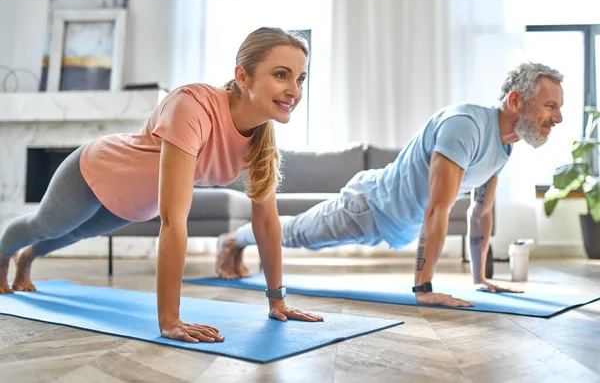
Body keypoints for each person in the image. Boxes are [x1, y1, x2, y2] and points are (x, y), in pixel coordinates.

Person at [0, 27, 324, 343]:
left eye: (300, 79)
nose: (294, 91)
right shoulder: (193, 106)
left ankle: (26, 258)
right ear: (243, 76)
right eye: (281, 75)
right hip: (95, 170)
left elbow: (266, 224)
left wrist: (276, 300)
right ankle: (4, 255)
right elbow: (173, 220)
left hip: (136, 203)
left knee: (76, 232)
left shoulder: (261, 138)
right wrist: (170, 320)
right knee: (46, 225)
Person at [217, 62, 564, 308]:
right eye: (550, 106)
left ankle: (238, 240)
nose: (558, 118)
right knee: (296, 234)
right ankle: (234, 239)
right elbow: (438, 208)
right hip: (366, 207)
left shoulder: (504, 146)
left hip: (394, 224)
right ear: (516, 100)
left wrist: (480, 278)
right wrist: (423, 287)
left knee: (297, 234)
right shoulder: (466, 125)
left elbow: (481, 211)